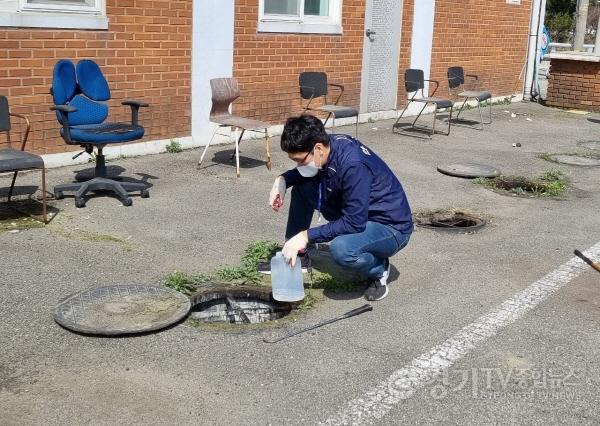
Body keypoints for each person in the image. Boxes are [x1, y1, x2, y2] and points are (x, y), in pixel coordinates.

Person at [267, 114, 413, 301]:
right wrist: (284, 180)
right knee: (303, 187)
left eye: (300, 160)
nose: (298, 165)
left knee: (342, 249)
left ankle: (379, 270)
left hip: (390, 226)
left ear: (318, 148)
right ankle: (296, 253)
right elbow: (306, 172)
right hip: (358, 211)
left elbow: (354, 222)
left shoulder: (353, 165)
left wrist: (306, 236)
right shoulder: (328, 145)